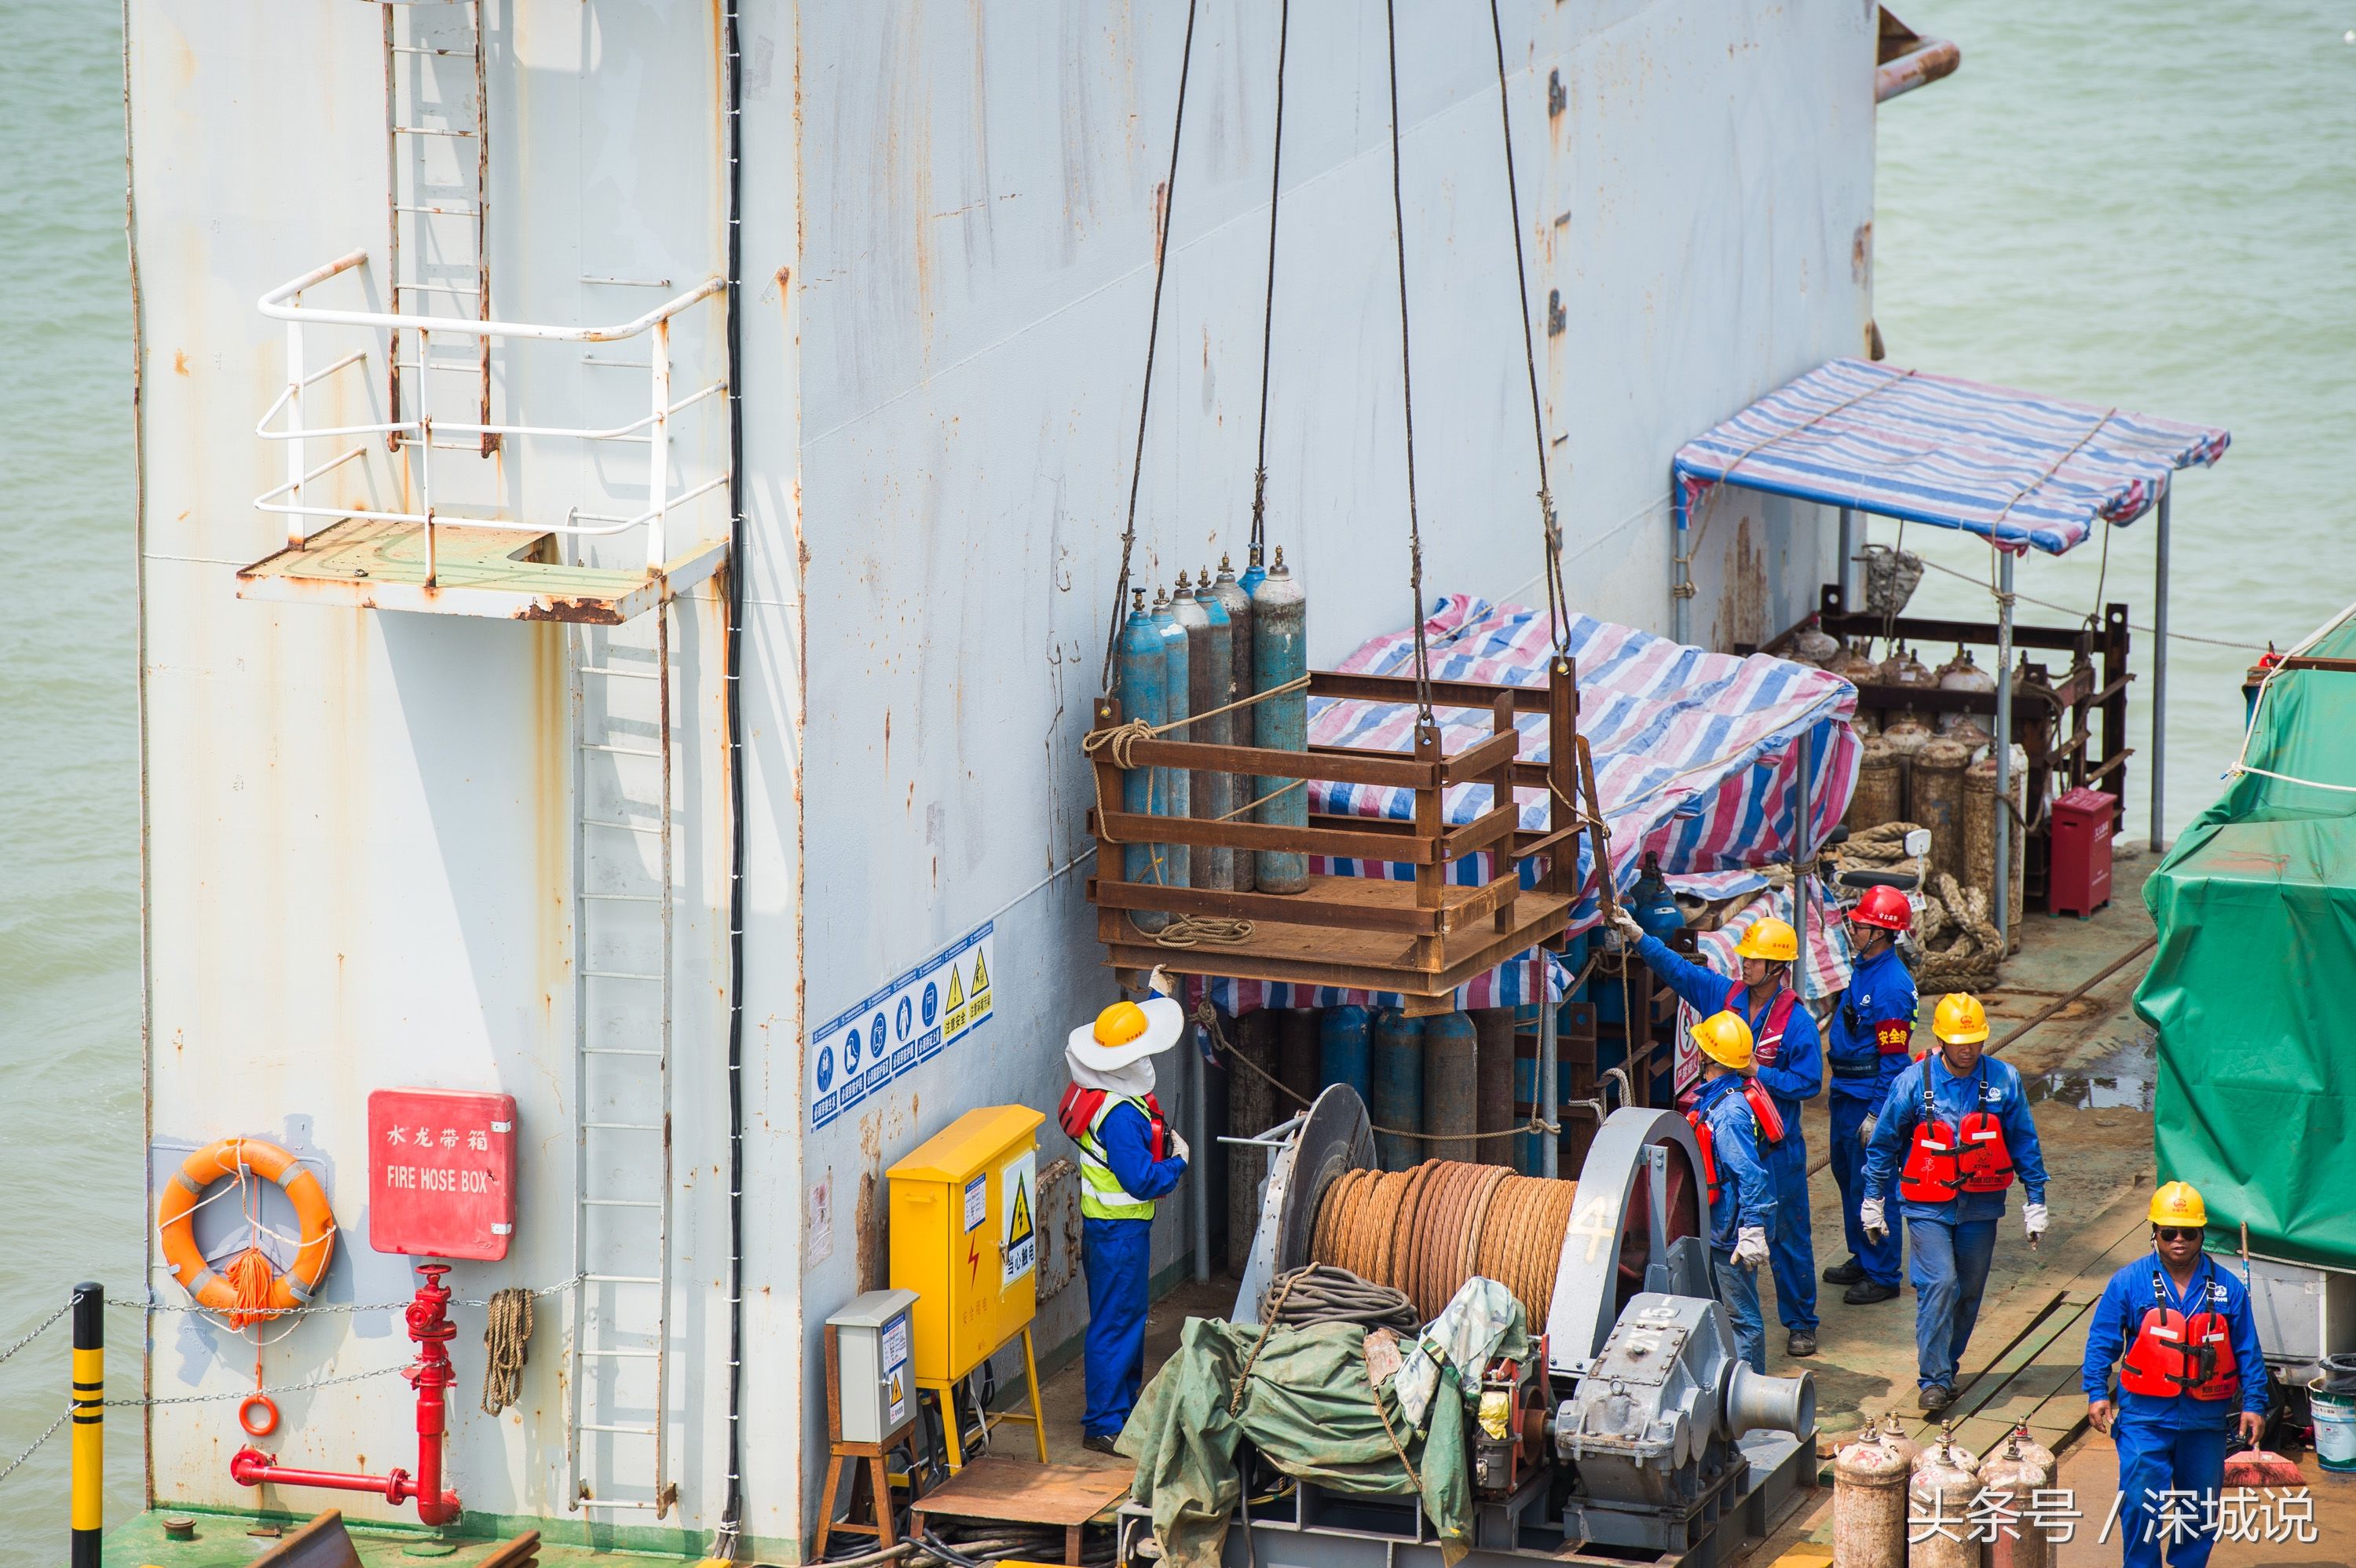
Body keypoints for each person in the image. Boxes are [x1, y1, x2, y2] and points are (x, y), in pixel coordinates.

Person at [1613, 908, 1824, 1357]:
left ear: (1777, 969)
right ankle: (1736, 1309)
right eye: (1744, 958)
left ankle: (1801, 1321)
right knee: (1726, 1228)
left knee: (1788, 1234)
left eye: (1753, 959)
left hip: (1776, 1147)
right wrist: (1638, 936)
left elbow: (1808, 1083)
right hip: (1731, 1141)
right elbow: (1679, 971)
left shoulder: (1798, 1023)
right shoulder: (1724, 995)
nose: (1744, 964)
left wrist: (1758, 1071)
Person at [1860, 992, 2048, 1413]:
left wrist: (2035, 1199)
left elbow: (2023, 1141)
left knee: (1969, 1290)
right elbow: (1883, 1143)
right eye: (1960, 1042)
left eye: (1976, 1041)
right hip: (1928, 1205)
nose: (1968, 1050)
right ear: (1942, 1040)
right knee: (1940, 1283)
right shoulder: (1912, 1082)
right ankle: (1934, 1379)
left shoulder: (2004, 1080)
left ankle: (1948, 1365)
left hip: (1981, 1205)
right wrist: (1872, 1196)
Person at [2082, 1182, 2266, 1568]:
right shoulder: (2128, 1283)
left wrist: (2255, 1403)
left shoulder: (2228, 1288)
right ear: (2155, 1233)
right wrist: (2097, 1391)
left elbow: (2247, 1348)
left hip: (2205, 1422)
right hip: (2144, 1419)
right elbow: (2102, 1340)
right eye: (2169, 1232)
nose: (2178, 1241)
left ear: (2202, 1234)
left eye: (2188, 1232)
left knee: (2199, 1511)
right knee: (2138, 1504)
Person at [1059, 980, 1191, 1453]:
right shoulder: (1121, 1117)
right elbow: (1141, 1179)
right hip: (1120, 1232)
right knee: (1116, 1323)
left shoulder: (1097, 1085)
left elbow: (1130, 1033)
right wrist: (1178, 1163)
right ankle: (1104, 1423)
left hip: (1108, 1229)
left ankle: (1119, 1406)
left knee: (1123, 1317)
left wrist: (1155, 996)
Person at [1820, 884, 1916, 1306]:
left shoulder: (1892, 986)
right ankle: (1862, 1253)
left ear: (1879, 932)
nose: (1852, 929)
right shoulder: (1866, 968)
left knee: (1872, 1182)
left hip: (1866, 1097)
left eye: (1859, 924)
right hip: (1846, 1091)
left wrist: (1877, 1113)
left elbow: (1894, 1060)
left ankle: (1882, 1272)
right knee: (1847, 1177)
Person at [1683, 1010, 1777, 1374]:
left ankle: (1748, 1400)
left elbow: (1751, 1175)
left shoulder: (1730, 1113)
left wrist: (1752, 1229)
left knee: (1742, 1319)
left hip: (1731, 1233)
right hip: (1717, 1226)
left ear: (1710, 1057)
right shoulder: (1714, 1099)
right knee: (1722, 1312)